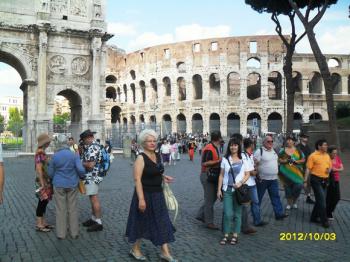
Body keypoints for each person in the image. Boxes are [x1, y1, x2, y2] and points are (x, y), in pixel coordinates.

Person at [125, 129, 177, 262]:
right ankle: (135, 249)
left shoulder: (157, 155)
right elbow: (137, 179)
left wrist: (163, 177)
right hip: (145, 195)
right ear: (143, 143)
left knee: (162, 221)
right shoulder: (140, 158)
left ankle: (165, 252)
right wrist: (141, 199)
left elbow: (155, 171)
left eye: (154, 140)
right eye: (149, 141)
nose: (153, 143)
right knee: (142, 223)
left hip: (158, 195)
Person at [48, 135, 86, 239]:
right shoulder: (74, 155)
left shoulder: (54, 156)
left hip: (59, 184)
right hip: (72, 184)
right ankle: (74, 233)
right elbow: (81, 170)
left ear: (58, 143)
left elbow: (50, 173)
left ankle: (61, 234)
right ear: (67, 143)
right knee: (73, 208)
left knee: (60, 209)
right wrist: (81, 176)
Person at [217, 138, 250, 245]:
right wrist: (219, 190)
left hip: (239, 190)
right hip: (227, 190)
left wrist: (240, 183)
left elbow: (247, 174)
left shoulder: (244, 158)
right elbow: (221, 175)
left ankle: (235, 234)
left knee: (237, 214)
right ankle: (226, 234)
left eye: (235, 145)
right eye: (231, 145)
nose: (233, 147)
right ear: (229, 147)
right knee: (227, 213)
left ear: (239, 146)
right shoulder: (225, 159)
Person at [254, 136, 288, 221]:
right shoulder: (259, 151)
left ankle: (279, 214)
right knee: (258, 198)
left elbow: (278, 161)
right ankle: (256, 217)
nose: (270, 143)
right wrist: (257, 175)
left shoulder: (274, 151)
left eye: (272, 141)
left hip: (273, 179)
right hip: (262, 179)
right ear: (264, 142)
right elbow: (254, 165)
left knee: (275, 197)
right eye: (268, 141)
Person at [196, 131, 222, 229]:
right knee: (209, 200)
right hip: (207, 176)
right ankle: (209, 222)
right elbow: (205, 163)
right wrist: (218, 161)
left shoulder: (214, 147)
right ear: (219, 138)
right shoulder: (209, 148)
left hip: (212, 175)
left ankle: (201, 214)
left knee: (212, 198)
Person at [80, 129, 104, 232]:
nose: (83, 142)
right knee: (92, 197)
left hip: (92, 176)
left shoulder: (93, 148)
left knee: (94, 198)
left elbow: (90, 165)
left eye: (83, 140)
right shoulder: (92, 146)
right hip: (91, 176)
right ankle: (94, 218)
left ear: (88, 138)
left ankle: (98, 222)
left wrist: (80, 162)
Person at [305, 139, 332, 228]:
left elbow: (330, 166)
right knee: (322, 201)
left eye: (326, 145)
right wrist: (305, 181)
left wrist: (329, 169)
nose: (326, 146)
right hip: (316, 180)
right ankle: (324, 221)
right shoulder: (313, 156)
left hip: (325, 180)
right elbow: (308, 169)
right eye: (324, 145)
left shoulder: (327, 155)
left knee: (320, 200)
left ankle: (313, 217)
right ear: (319, 146)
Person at [278, 136, 305, 210]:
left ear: (294, 142)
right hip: (286, 173)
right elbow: (279, 159)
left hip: (297, 173)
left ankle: (294, 201)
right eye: (288, 140)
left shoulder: (298, 151)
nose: (289, 141)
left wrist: (296, 161)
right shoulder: (282, 150)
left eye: (291, 140)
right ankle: (289, 203)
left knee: (299, 186)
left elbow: (303, 160)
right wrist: (285, 161)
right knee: (287, 188)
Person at [241, 138, 261, 233]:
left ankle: (257, 221)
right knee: (244, 206)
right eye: (253, 144)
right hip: (245, 183)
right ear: (251, 145)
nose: (254, 146)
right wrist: (255, 171)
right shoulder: (243, 156)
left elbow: (254, 168)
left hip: (252, 183)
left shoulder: (251, 155)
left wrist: (256, 165)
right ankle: (244, 225)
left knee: (255, 201)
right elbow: (250, 171)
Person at [35, 133, 54, 232]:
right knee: (42, 202)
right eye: (48, 141)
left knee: (45, 202)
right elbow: (39, 169)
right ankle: (39, 224)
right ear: (45, 142)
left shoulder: (42, 152)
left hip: (45, 180)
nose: (50, 142)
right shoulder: (40, 153)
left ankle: (43, 222)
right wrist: (42, 183)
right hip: (42, 181)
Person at [326, 145, 343, 221]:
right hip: (328, 180)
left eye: (336, 153)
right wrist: (335, 169)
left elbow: (342, 168)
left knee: (337, 197)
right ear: (329, 153)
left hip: (336, 180)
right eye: (333, 153)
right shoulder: (326, 159)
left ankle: (330, 211)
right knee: (329, 197)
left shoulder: (337, 158)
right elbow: (327, 170)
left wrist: (335, 169)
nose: (335, 155)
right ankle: (328, 212)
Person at [297, 133, 315, 204]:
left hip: (308, 167)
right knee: (300, 183)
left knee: (308, 183)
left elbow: (310, 156)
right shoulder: (297, 147)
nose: (306, 138)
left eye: (307, 137)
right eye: (304, 137)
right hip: (300, 167)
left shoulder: (308, 146)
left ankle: (308, 197)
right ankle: (294, 196)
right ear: (300, 138)